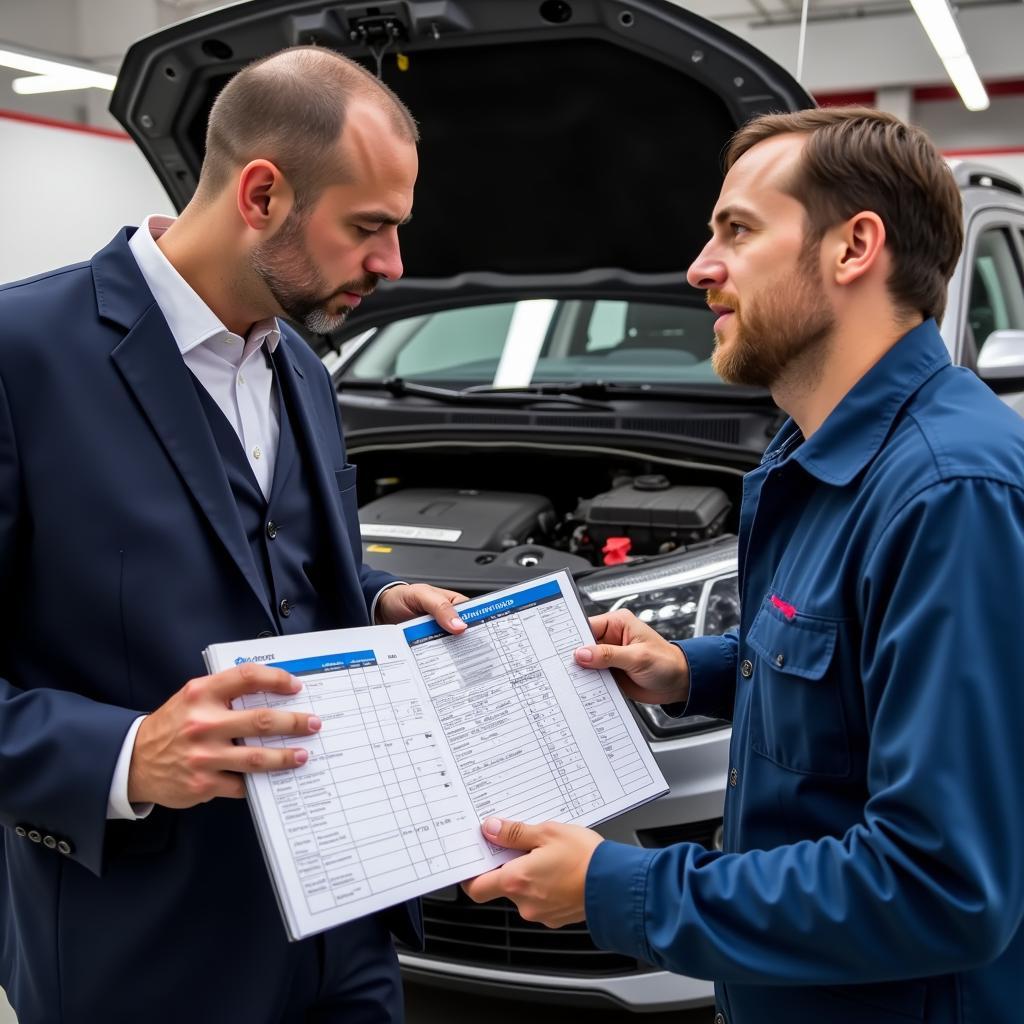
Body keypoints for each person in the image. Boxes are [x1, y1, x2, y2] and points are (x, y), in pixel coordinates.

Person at [463, 107, 1024, 1023]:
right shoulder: (816, 455)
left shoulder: (948, 494)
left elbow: (942, 884)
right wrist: (691, 670)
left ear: (854, 249)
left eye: (737, 230)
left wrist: (622, 887)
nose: (699, 267)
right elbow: (852, 671)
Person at [0, 46, 468, 1024]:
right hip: (139, 952)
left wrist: (375, 594)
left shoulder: (302, 365)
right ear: (261, 193)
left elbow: (267, 553)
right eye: (368, 229)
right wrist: (124, 753)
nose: (393, 265)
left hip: (347, 934)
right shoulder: (21, 357)